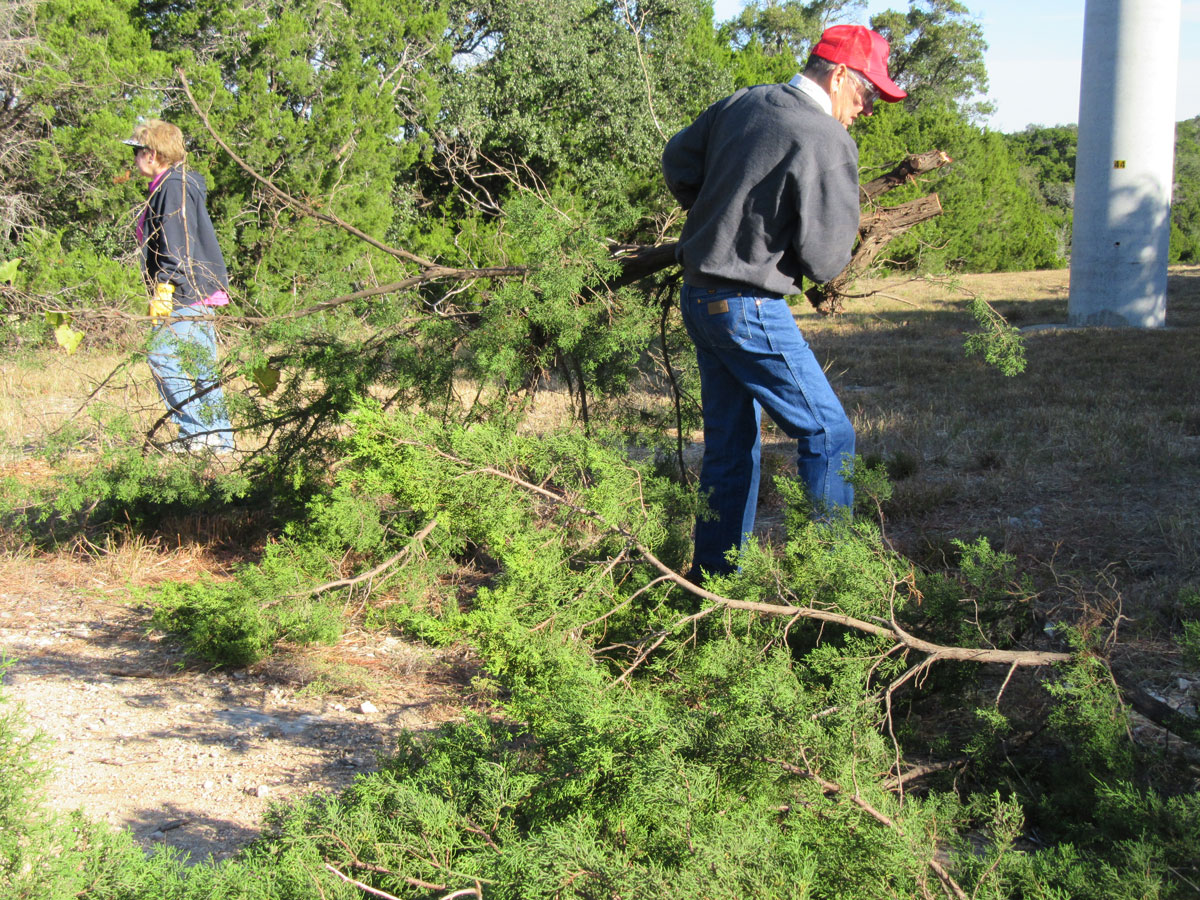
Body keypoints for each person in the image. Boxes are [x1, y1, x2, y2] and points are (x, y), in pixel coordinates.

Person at [661, 25, 906, 579]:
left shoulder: (743, 103)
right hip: (749, 307)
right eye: (868, 95)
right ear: (840, 74)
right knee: (827, 433)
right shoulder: (826, 138)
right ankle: (834, 588)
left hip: (699, 297)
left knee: (730, 447)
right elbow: (824, 259)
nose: (867, 109)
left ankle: (716, 589)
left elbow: (678, 160)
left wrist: (721, 214)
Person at [126, 119, 235, 452]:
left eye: (138, 150)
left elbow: (176, 241)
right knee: (201, 365)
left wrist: (165, 287)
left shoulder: (172, 185)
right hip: (198, 285)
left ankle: (197, 431)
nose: (135, 158)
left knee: (161, 356)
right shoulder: (172, 183)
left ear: (154, 153)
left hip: (185, 288)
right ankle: (221, 439)